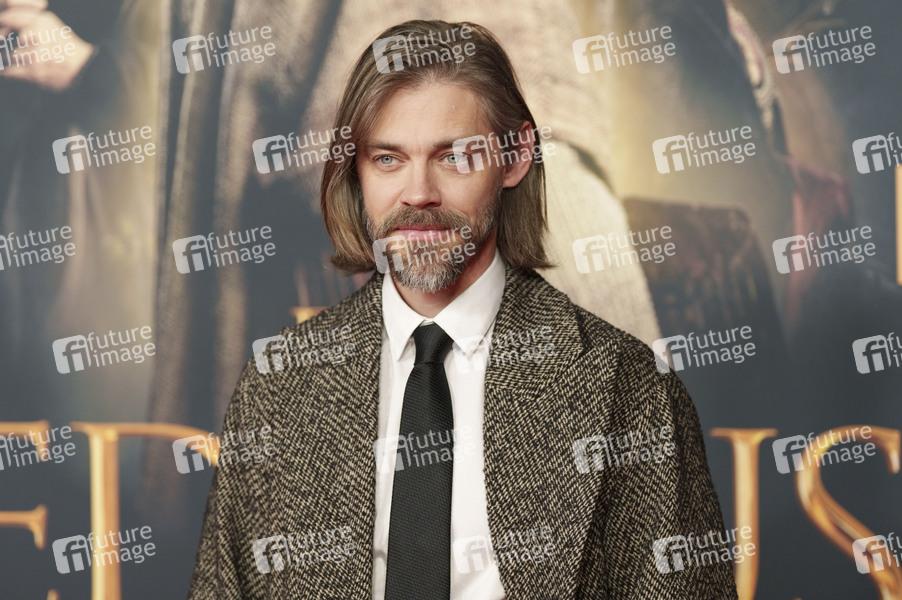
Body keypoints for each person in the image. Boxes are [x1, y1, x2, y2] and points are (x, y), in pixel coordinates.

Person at [188, 20, 737, 600]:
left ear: (516, 156)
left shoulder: (629, 387)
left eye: (453, 157)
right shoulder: (276, 386)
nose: (418, 193)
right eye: (388, 159)